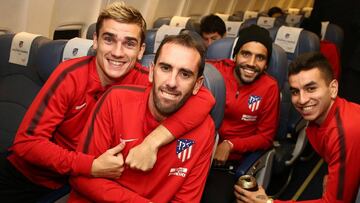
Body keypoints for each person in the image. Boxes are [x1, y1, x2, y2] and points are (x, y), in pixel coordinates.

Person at [0, 2, 214, 202]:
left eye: (129, 43)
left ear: (141, 51)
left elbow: (204, 98)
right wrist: (90, 165)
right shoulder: (71, 76)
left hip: (86, 181)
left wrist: (153, 141)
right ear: (95, 41)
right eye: (109, 39)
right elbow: (26, 143)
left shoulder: (146, 80)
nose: (117, 52)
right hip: (32, 175)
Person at [68, 33, 215, 202]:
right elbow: (81, 178)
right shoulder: (116, 101)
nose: (172, 82)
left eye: (185, 74)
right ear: (152, 72)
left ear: (197, 84)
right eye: (165, 68)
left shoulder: (204, 129)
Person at [235, 52, 360, 203]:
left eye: (311, 88)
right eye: (295, 91)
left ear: (333, 88)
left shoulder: (346, 131)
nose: (302, 100)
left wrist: (268, 202)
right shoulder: (321, 117)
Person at [202, 24, 280, 203]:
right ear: (235, 55)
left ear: (266, 63)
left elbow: (265, 137)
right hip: (199, 153)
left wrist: (230, 145)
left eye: (260, 58)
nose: (252, 64)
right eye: (246, 54)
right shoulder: (214, 72)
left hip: (229, 164)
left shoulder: (270, 87)